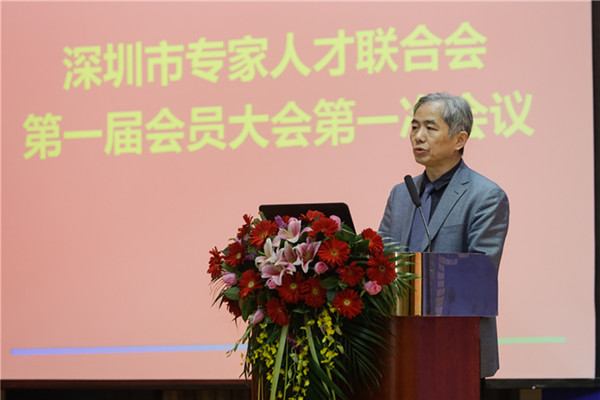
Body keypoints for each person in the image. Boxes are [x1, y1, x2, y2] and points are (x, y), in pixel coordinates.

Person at [378, 92, 509, 379]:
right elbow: (380, 260)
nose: (418, 136)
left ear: (459, 139)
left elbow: (479, 274)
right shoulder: (401, 194)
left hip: (457, 348)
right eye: (414, 126)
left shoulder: (485, 196)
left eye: (430, 127)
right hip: (399, 348)